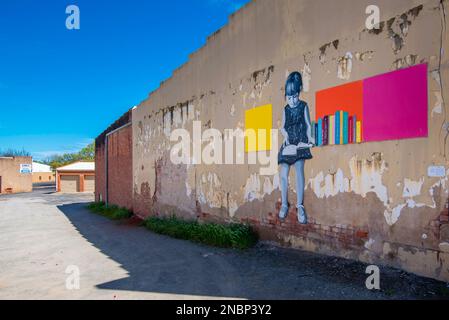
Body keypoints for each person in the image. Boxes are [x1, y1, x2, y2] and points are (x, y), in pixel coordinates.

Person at [278, 72, 315, 224]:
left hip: (300, 143)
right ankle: (284, 204)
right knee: (283, 172)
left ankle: (299, 206)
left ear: (299, 92)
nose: (292, 100)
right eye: (289, 97)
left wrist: (310, 139)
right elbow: (282, 127)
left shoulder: (303, 106)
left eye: (294, 96)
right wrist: (285, 136)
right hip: (289, 143)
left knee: (299, 170)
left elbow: (307, 125)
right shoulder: (286, 109)